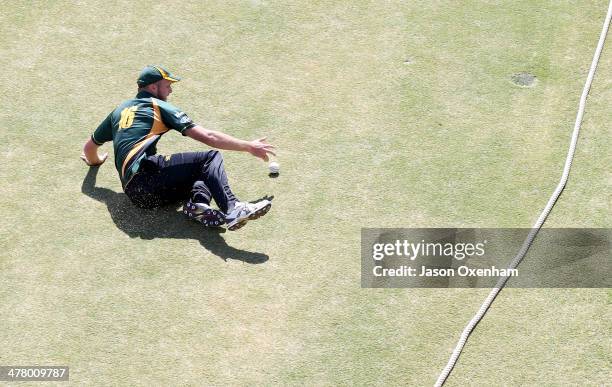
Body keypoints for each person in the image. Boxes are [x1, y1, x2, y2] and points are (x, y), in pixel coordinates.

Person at [81, 65, 276, 231]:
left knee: (203, 172)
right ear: (153, 86)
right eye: (167, 86)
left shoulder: (118, 111)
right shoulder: (156, 106)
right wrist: (249, 146)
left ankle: (197, 205)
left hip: (139, 195)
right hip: (147, 179)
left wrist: (95, 161)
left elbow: (89, 147)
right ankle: (233, 208)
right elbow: (208, 137)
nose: (170, 91)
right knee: (209, 159)